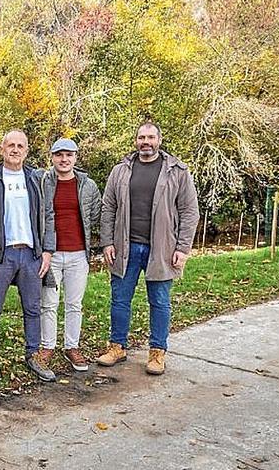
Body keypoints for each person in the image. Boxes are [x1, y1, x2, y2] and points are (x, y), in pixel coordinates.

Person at [96, 120, 200, 375]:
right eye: (142, 137)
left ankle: (157, 352)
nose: (146, 142)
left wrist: (183, 248)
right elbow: (108, 207)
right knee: (120, 299)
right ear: (136, 141)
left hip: (161, 248)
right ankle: (117, 346)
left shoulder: (176, 171)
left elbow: (189, 211)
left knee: (160, 301)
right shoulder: (121, 170)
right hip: (125, 247)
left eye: (151, 137)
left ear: (159, 140)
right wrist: (107, 242)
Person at [0, 130, 55, 382]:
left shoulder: (37, 179)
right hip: (0, 255)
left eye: (20, 146)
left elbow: (47, 215)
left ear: (26, 150)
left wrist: (47, 251)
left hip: (31, 254)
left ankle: (33, 355)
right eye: (10, 145)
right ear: (1, 149)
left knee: (33, 308)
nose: (15, 150)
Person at [39, 138, 102, 372]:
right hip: (51, 254)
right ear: (52, 157)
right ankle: (47, 346)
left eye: (69, 155)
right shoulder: (43, 182)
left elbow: (96, 215)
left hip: (78, 255)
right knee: (49, 303)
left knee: (74, 304)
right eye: (59, 155)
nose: (64, 159)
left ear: (76, 157)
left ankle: (71, 347)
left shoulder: (88, 185)